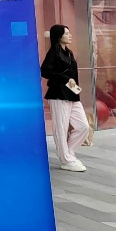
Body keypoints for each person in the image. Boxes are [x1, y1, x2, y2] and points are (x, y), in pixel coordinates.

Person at [41, 24, 89, 172]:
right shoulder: (53, 53)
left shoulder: (68, 53)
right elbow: (45, 71)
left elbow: (73, 77)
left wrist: (76, 92)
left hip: (72, 94)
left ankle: (69, 153)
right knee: (61, 128)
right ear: (59, 36)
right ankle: (66, 160)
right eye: (66, 33)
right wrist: (64, 78)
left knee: (83, 126)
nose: (70, 35)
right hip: (58, 95)